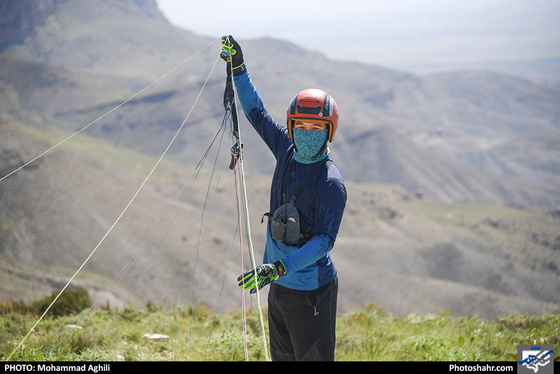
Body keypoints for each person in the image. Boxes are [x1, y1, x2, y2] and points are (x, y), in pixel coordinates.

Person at [221, 36, 347, 361]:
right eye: (300, 125)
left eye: (316, 126)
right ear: (290, 127)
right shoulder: (285, 150)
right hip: (276, 285)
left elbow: (323, 242)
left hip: (311, 292)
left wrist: (277, 268)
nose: (307, 132)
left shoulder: (330, 182)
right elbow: (255, 111)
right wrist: (239, 68)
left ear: (328, 130)